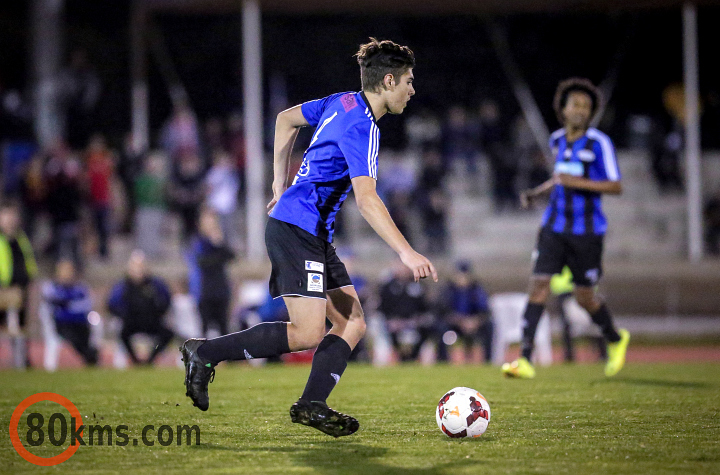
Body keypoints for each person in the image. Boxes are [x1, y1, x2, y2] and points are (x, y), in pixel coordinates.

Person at [180, 38, 437, 438]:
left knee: (352, 323)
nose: (412, 89)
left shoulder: (342, 101)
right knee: (306, 333)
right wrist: (406, 251)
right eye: (408, 80)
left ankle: (311, 404)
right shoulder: (364, 127)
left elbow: (284, 119)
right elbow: (367, 200)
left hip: (310, 232)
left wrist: (278, 184)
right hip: (297, 230)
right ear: (388, 80)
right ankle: (204, 352)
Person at [503, 78, 630, 379]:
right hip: (553, 227)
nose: (580, 110)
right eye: (575, 104)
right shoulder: (557, 140)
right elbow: (560, 179)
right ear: (563, 108)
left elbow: (615, 185)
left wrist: (577, 183)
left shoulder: (599, 143)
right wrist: (539, 192)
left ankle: (615, 338)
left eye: (586, 106)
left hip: (587, 233)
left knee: (585, 297)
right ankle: (524, 359)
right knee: (538, 286)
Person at [107, 251, 174, 365]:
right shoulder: (123, 286)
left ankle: (150, 360)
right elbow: (112, 304)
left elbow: (167, 300)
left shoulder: (155, 284)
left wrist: (159, 312)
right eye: (135, 266)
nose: (139, 270)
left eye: (141, 266)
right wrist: (123, 315)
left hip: (151, 321)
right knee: (123, 334)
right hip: (131, 322)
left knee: (168, 334)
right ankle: (135, 360)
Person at [0, 201, 38, 368]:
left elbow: (28, 259)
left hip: (21, 288)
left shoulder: (20, 238)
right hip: (3, 288)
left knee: (21, 326)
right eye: (5, 216)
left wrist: (32, 277)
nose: (9, 220)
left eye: (11, 216)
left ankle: (22, 359)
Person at [187, 208, 235, 337]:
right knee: (204, 329)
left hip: (221, 290)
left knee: (224, 328)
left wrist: (219, 244)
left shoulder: (220, 240)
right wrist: (218, 254)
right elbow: (202, 262)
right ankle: (203, 356)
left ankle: (226, 356)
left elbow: (231, 256)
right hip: (203, 291)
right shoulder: (197, 240)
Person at [41, 259, 98, 365]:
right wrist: (69, 304)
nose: (67, 274)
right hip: (62, 324)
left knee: (86, 336)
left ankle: (91, 357)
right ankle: (90, 357)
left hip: (80, 322)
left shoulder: (80, 287)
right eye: (64, 271)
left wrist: (68, 305)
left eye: (69, 271)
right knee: (74, 338)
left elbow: (87, 304)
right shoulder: (52, 287)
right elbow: (53, 301)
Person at [440, 261, 493, 364]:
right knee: (442, 329)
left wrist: (475, 321)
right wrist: (460, 321)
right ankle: (443, 359)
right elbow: (443, 311)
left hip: (474, 323)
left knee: (489, 326)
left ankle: (487, 359)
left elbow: (484, 310)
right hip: (455, 324)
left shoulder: (476, 290)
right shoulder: (448, 290)